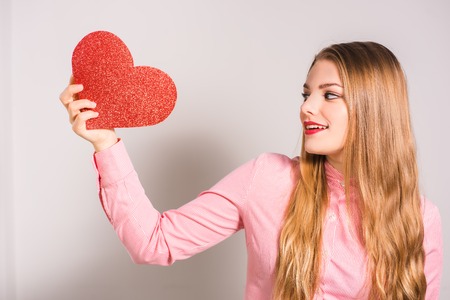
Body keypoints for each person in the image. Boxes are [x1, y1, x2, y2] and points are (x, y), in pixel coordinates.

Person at [60, 41, 443, 299]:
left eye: (329, 95)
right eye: (306, 93)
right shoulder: (268, 179)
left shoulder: (420, 216)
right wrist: (105, 144)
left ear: (375, 108)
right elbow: (154, 243)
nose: (307, 107)